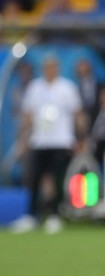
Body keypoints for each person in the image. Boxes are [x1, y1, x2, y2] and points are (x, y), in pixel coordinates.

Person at [10, 55, 85, 234]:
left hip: (61, 140)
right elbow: (28, 115)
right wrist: (23, 139)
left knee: (57, 178)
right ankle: (30, 215)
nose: (50, 70)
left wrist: (81, 138)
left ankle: (55, 215)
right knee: (35, 178)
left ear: (57, 68)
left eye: (53, 67)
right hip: (39, 140)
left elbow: (77, 114)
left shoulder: (67, 88)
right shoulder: (35, 88)